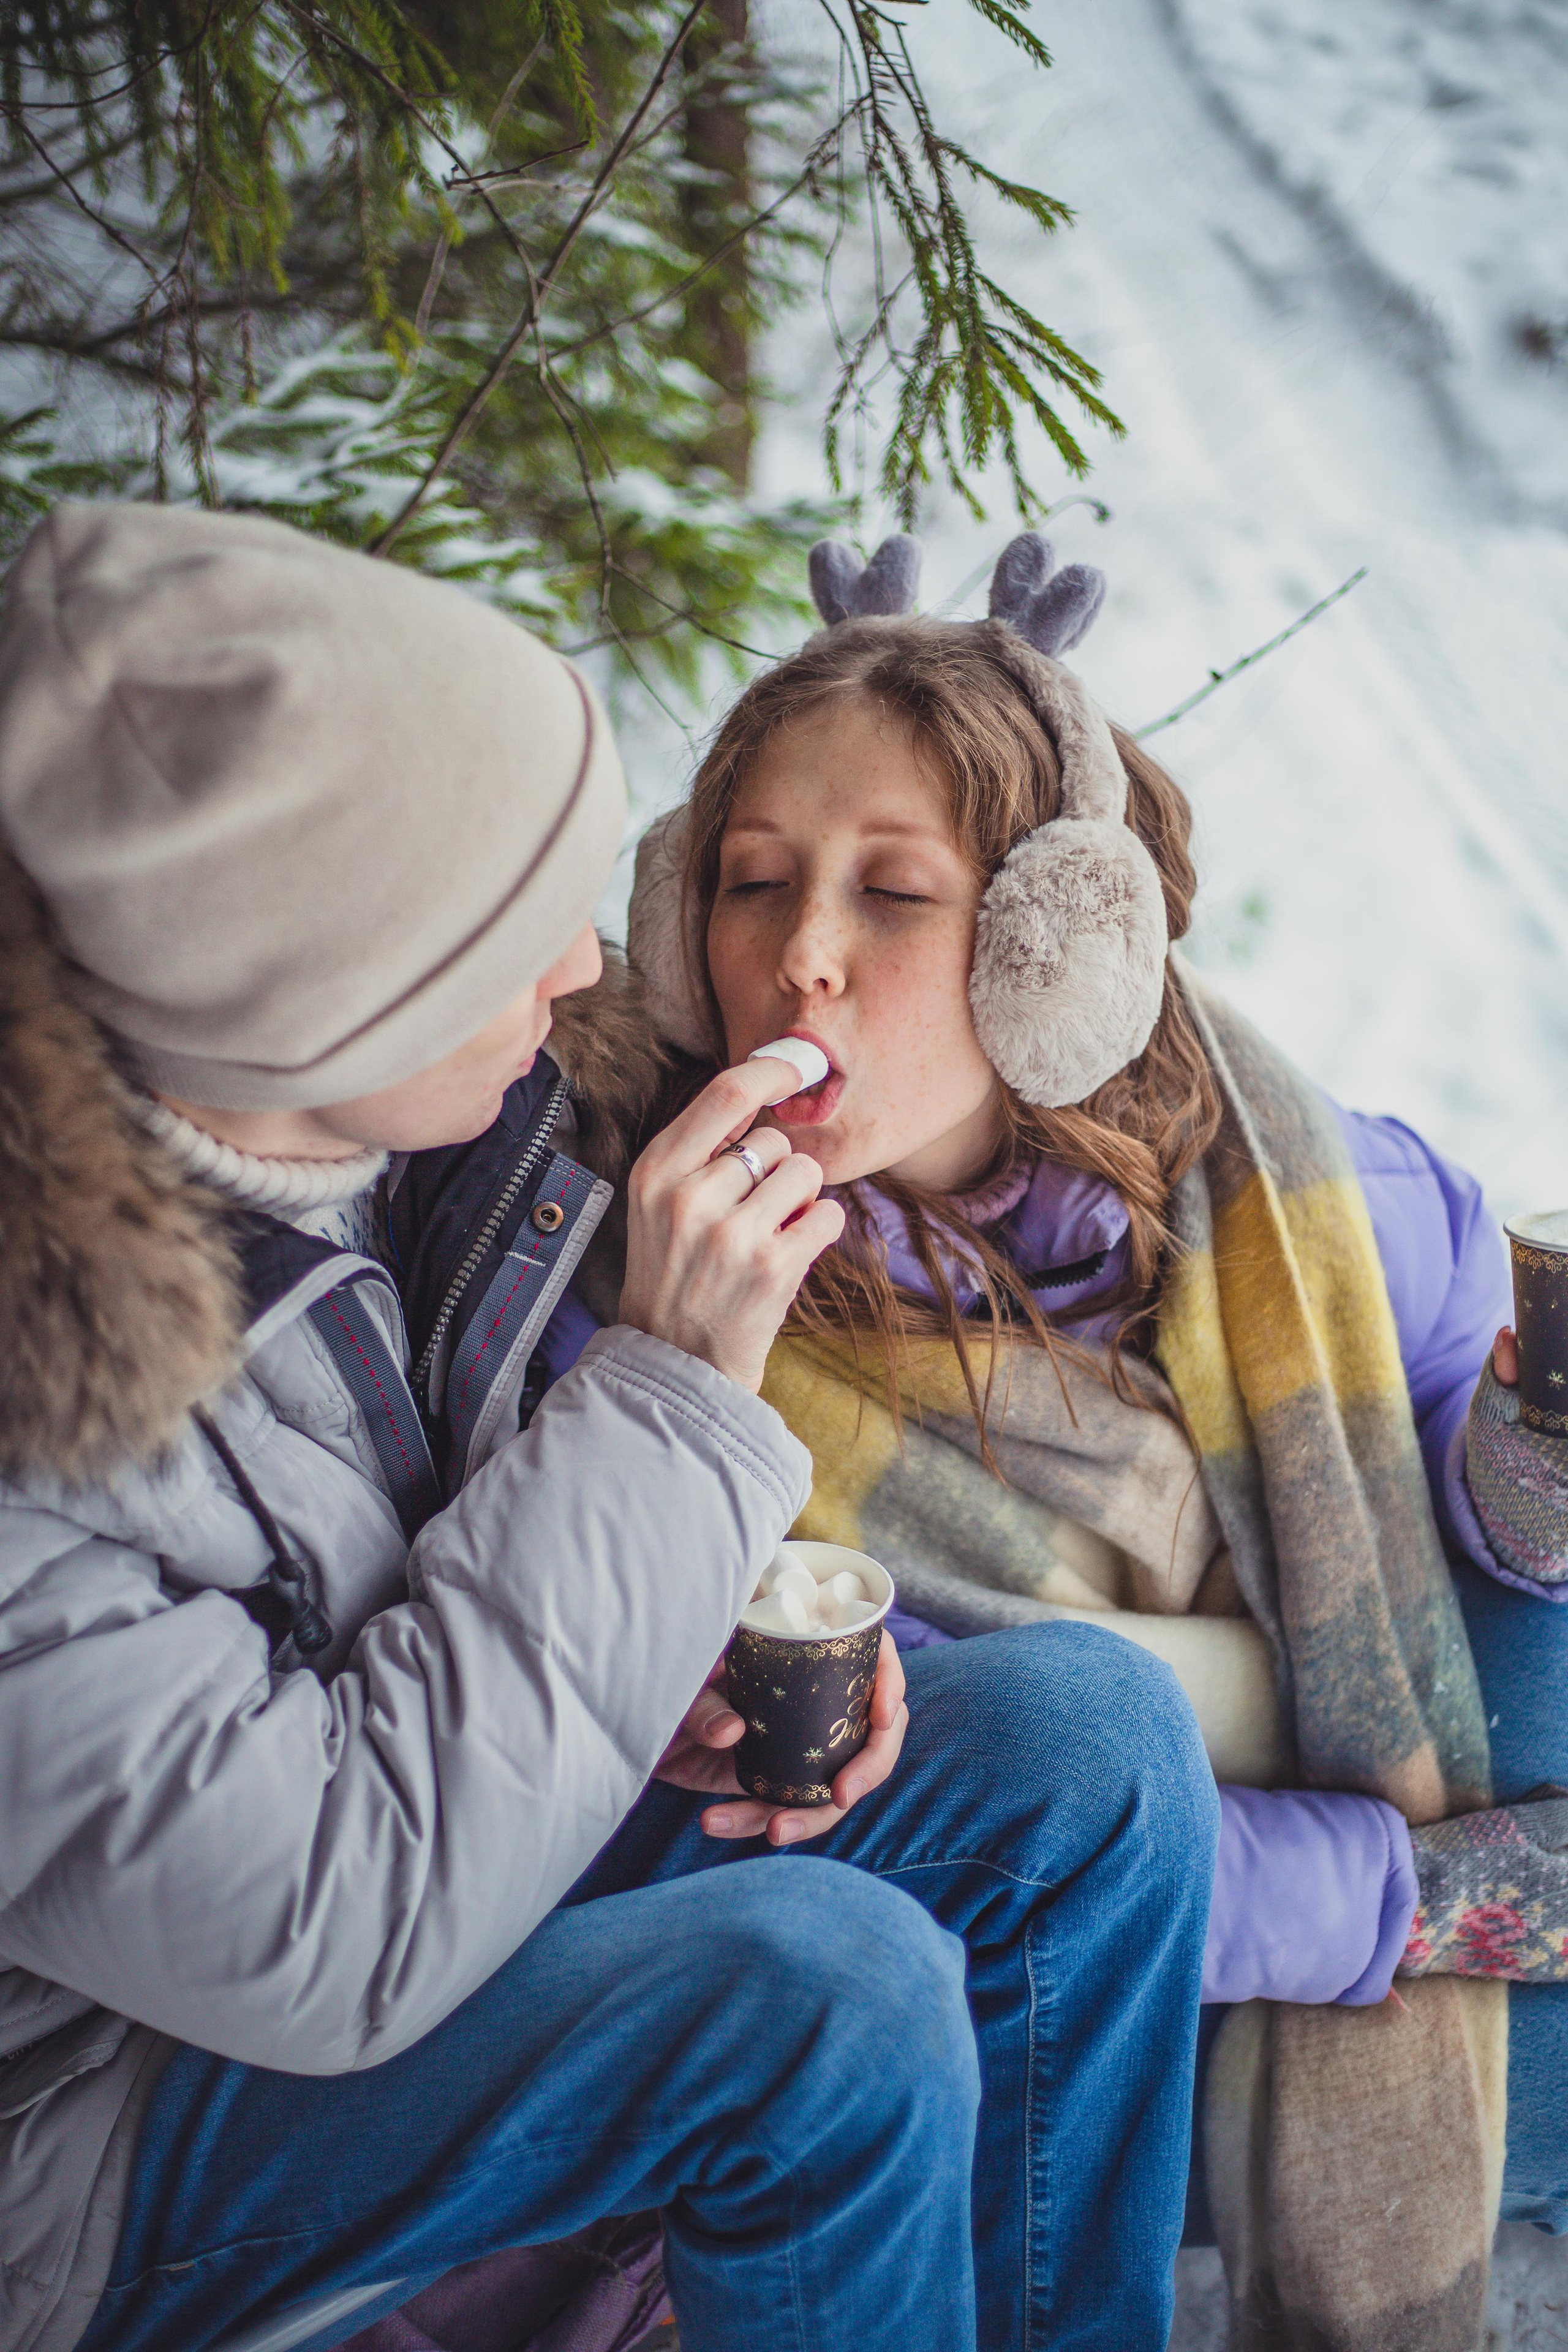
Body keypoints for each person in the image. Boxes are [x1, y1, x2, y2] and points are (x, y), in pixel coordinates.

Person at [0, 501, 1216, 2352]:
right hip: (112, 2132)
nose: (590, 968)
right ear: (325, 1006)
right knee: (827, 1995)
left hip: (390, 1848)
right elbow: (335, 1926)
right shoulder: (37, 1407)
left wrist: (668, 1684)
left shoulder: (422, 1141)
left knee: (1090, 1737)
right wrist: (664, 1402)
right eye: (504, 936)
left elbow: (396, 1608)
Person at [563, 530, 1568, 2352]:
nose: (799, 960)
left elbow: (1488, 1585)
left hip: (1315, 1839)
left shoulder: (1298, 1189)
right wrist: (1404, 1908)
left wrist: (1533, 1477)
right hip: (1020, 1994)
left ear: (1059, 948)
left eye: (894, 896)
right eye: (753, 881)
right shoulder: (650, 1265)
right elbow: (953, 1832)